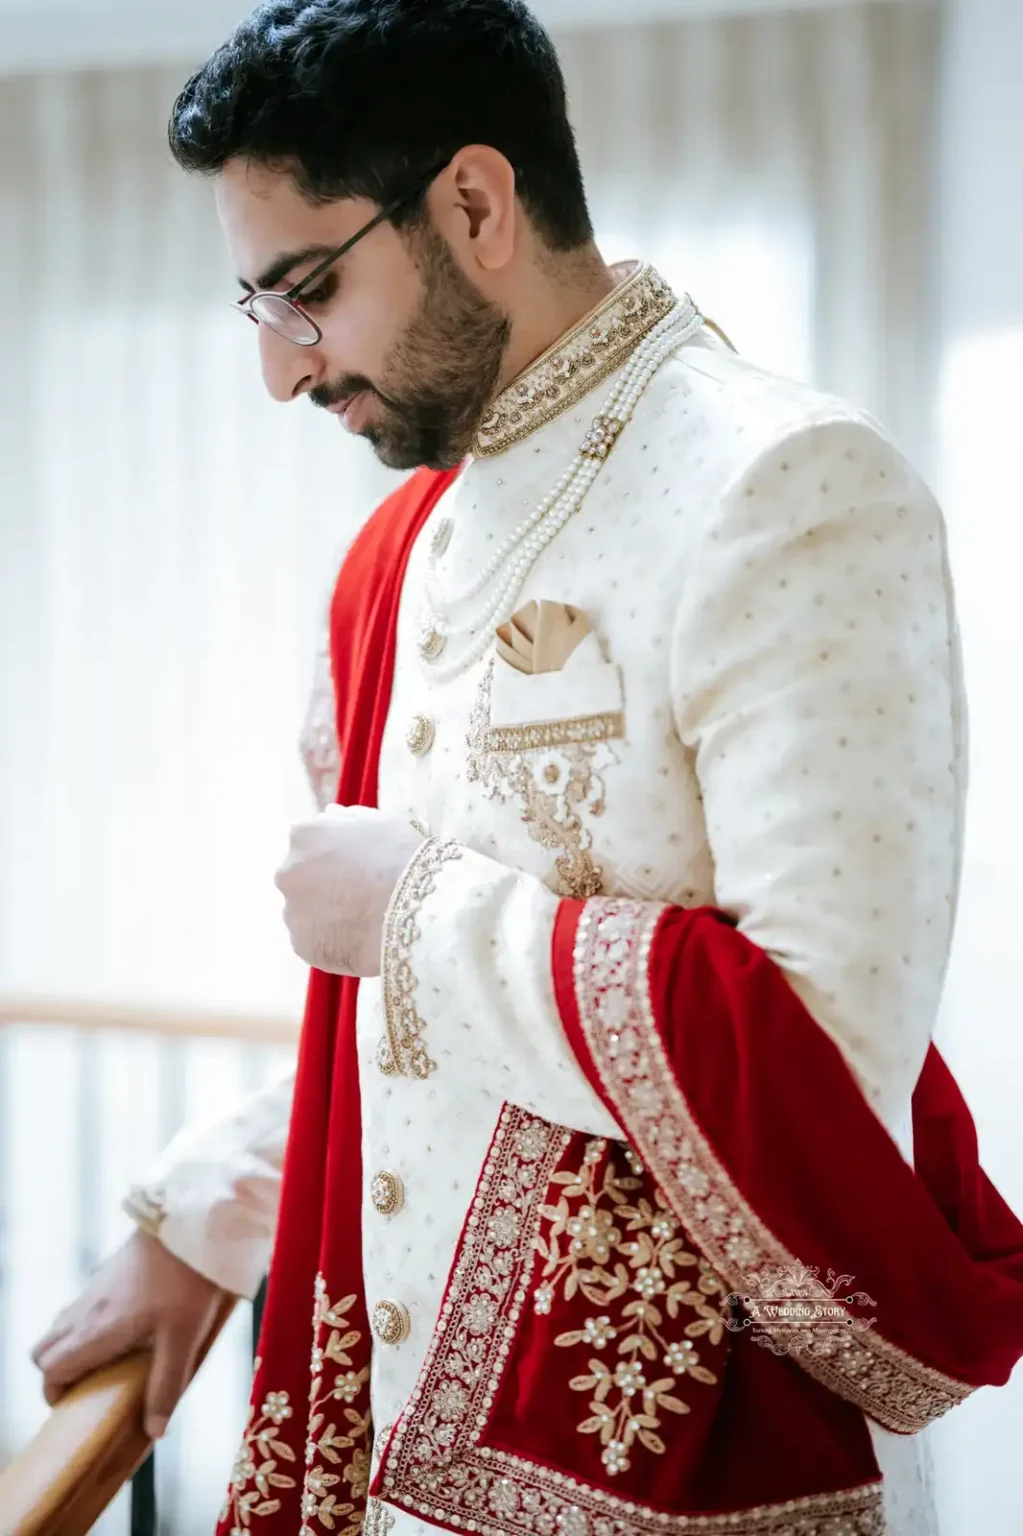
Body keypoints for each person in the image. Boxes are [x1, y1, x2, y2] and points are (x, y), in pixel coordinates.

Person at [31, 3, 1023, 1534]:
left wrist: (415, 918)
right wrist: (202, 1203)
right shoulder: (405, 548)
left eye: (309, 293)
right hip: (396, 1461)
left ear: (475, 204)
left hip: (673, 1482)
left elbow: (819, 1065)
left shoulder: (786, 488)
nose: (281, 376)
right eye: (257, 310)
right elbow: (402, 1051)